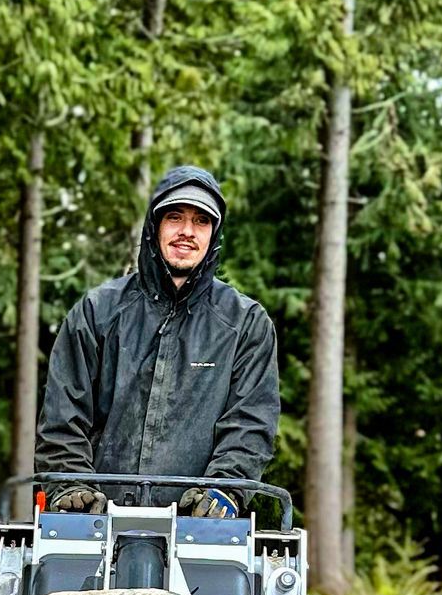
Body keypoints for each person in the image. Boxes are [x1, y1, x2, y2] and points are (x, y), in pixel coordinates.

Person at [37, 164, 279, 517]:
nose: (186, 231)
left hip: (199, 528)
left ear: (214, 233)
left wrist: (225, 489)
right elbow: (62, 414)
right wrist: (70, 484)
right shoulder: (97, 311)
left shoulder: (245, 324)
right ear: (154, 227)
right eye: (175, 217)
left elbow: (251, 422)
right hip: (93, 523)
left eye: (201, 221)